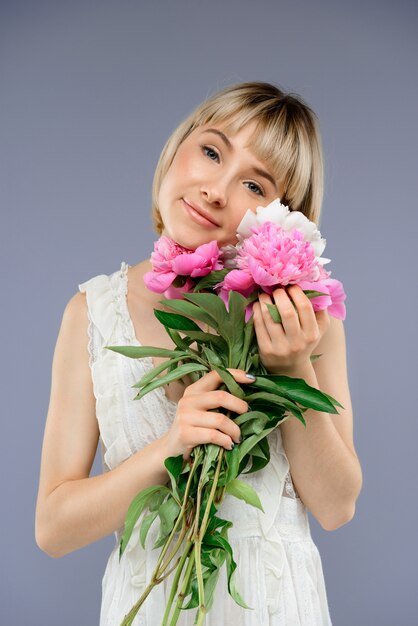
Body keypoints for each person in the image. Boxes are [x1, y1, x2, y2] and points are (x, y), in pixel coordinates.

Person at [35, 81, 363, 625]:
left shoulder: (306, 320)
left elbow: (337, 506)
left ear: (284, 217)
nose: (216, 189)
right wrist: (173, 445)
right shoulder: (91, 313)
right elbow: (52, 529)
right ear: (178, 146)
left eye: (254, 184)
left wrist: (291, 366)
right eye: (211, 151)